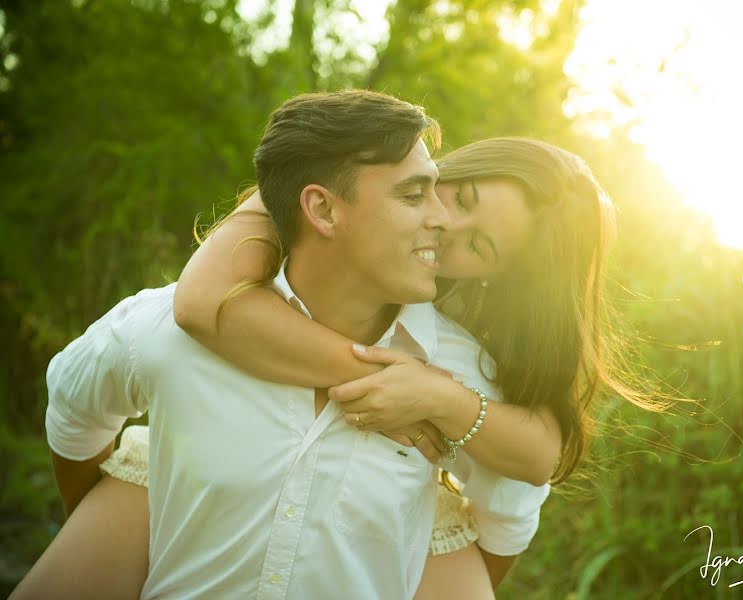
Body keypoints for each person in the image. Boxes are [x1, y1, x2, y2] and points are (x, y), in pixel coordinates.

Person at [14, 90, 551, 600]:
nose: (444, 220)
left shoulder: (462, 374)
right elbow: (73, 408)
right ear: (322, 210)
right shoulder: (171, 332)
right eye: (418, 194)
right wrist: (113, 533)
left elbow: (510, 515)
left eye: (480, 245)